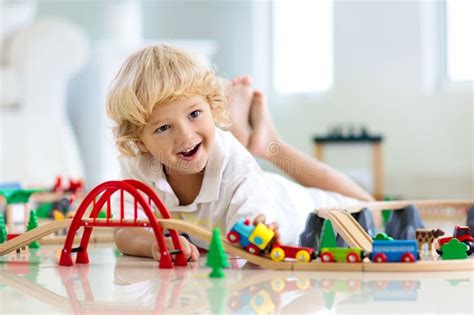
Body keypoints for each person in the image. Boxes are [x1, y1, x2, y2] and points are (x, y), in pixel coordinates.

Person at [106, 45, 374, 262]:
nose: (185, 135)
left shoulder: (234, 163)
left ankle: (268, 141)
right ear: (140, 143)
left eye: (195, 114)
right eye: (164, 127)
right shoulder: (137, 166)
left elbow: (250, 233)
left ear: (212, 107)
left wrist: (256, 229)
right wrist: (154, 243)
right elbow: (124, 232)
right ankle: (257, 139)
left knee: (370, 208)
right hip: (258, 182)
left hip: (291, 204)